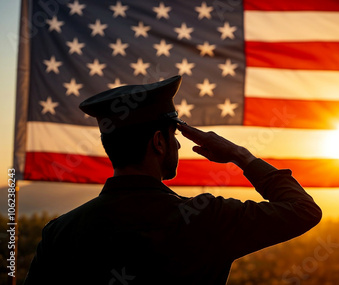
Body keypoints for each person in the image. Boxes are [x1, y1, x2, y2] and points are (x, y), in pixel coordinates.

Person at [24, 75, 322, 284]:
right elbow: (303, 210)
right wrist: (240, 155)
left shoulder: (61, 232)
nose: (178, 146)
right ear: (158, 142)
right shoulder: (207, 219)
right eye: (174, 137)